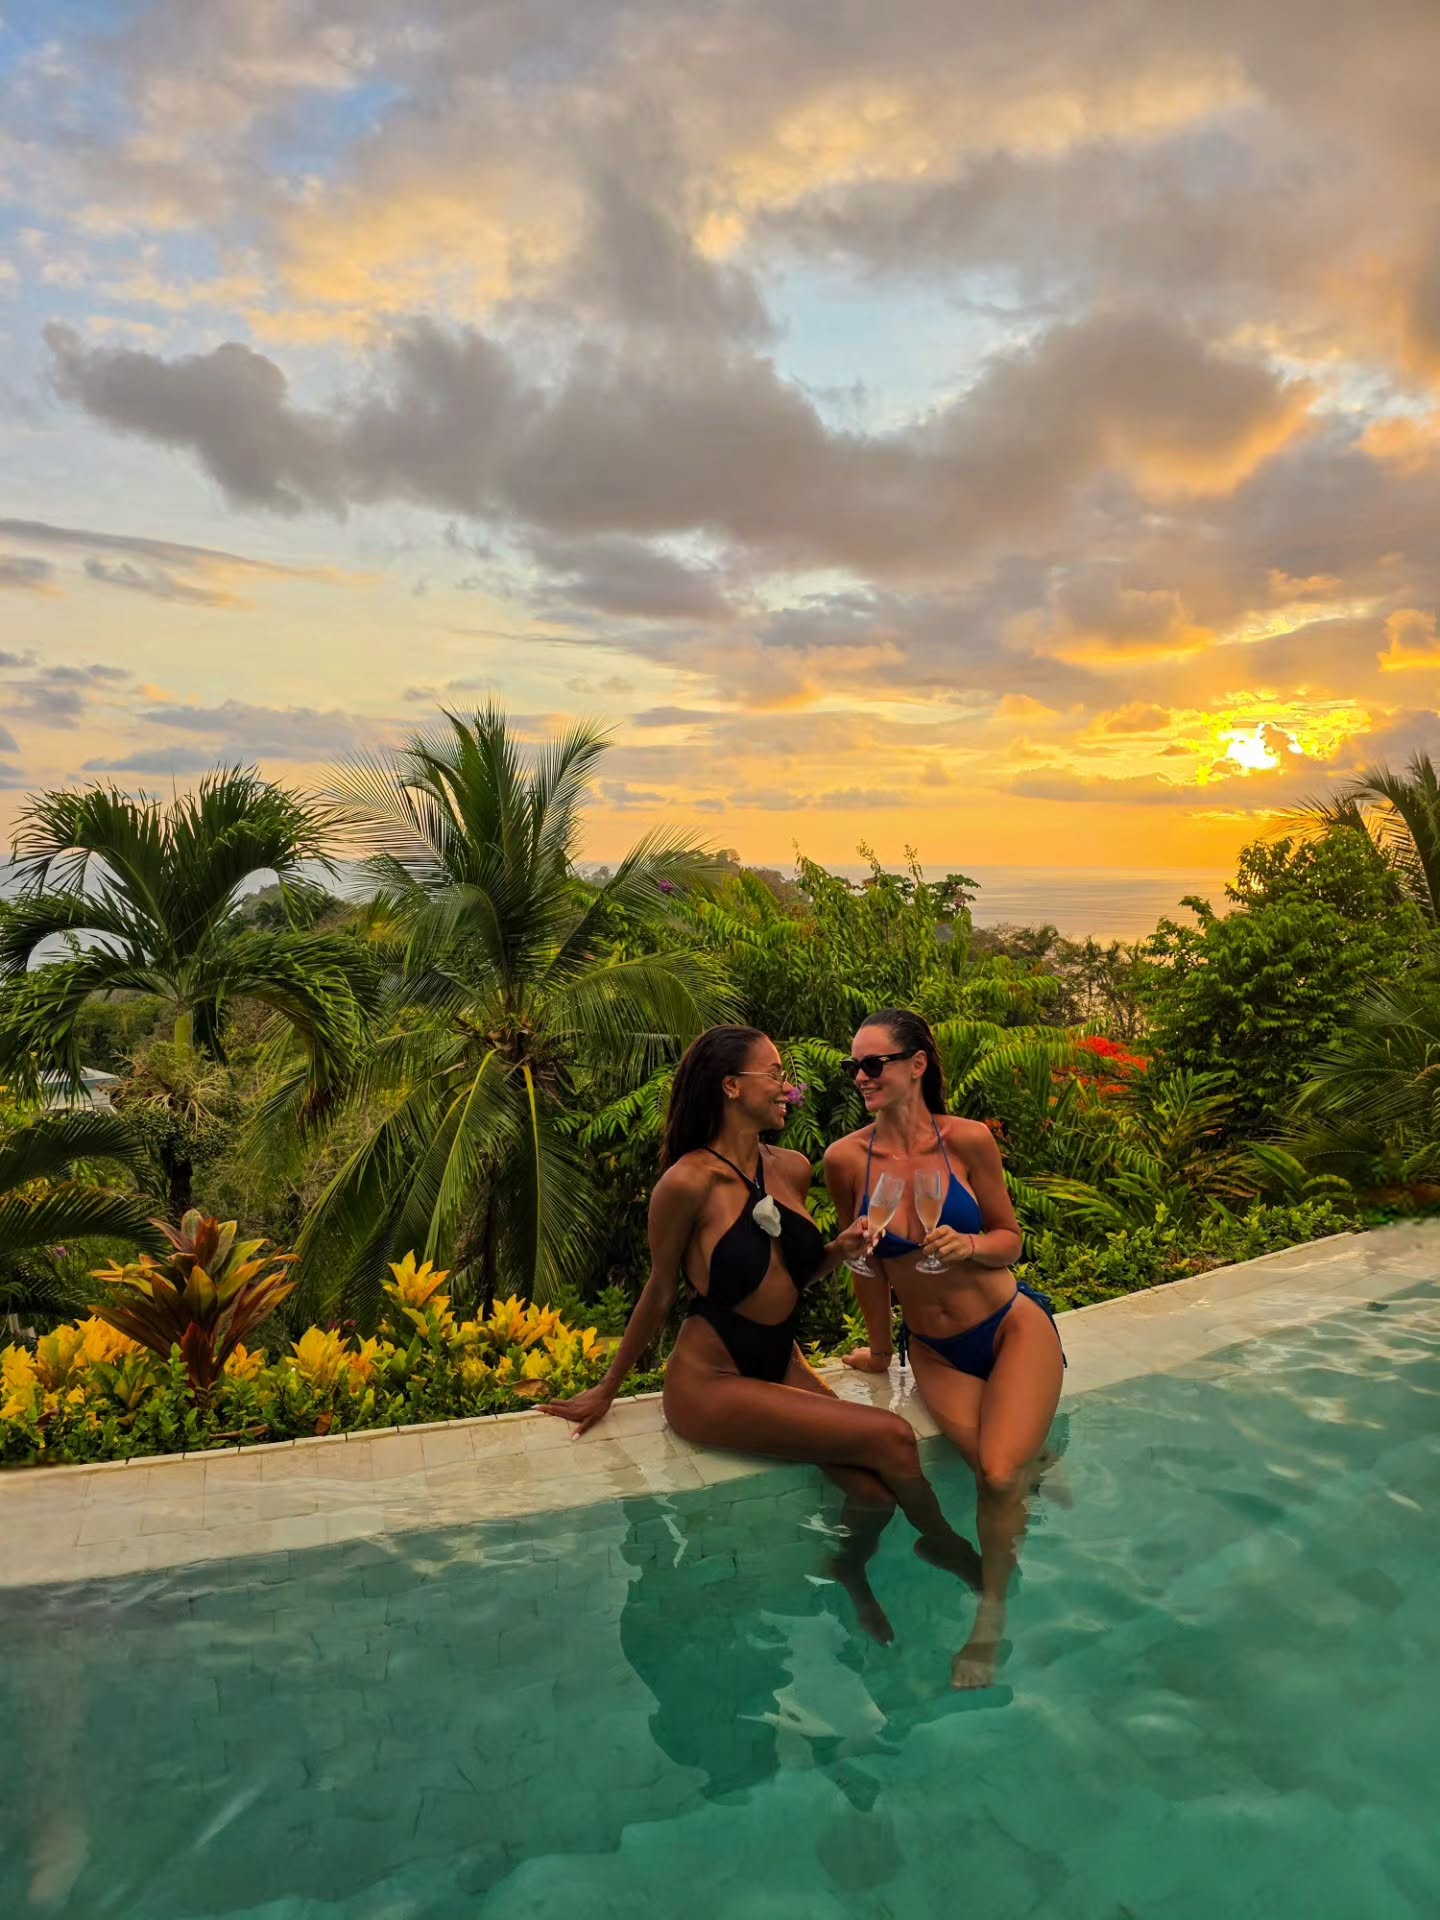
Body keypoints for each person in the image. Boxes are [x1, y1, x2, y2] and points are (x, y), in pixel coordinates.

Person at [546, 1024, 981, 1638]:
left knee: (876, 1495)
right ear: (731, 1086)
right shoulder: (688, 1182)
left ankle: (850, 1571)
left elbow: (794, 1274)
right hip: (710, 1380)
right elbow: (660, 1290)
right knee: (891, 1436)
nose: (789, 1088)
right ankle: (944, 1543)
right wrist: (608, 1388)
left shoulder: (791, 1167)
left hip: (779, 1364)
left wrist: (838, 1249)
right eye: (775, 1074)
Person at [823, 1008, 1065, 1689]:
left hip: (1011, 1326)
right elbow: (866, 1268)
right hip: (935, 1349)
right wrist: (880, 1353)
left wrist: (972, 1245)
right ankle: (1038, 1461)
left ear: (916, 1065)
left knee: (997, 1473)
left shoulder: (968, 1141)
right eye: (854, 1067)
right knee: (998, 1471)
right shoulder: (846, 1159)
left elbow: (1010, 1240)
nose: (861, 1077)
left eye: (873, 1064)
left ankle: (991, 1618)